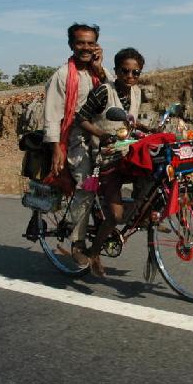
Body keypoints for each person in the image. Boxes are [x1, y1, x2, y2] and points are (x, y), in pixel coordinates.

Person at [73, 47, 149, 275]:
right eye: (125, 71)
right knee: (115, 216)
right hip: (106, 159)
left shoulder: (136, 92)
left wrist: (144, 128)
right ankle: (93, 251)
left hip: (127, 154)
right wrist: (100, 134)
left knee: (152, 176)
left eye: (136, 73)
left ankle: (141, 216)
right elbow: (81, 118)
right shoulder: (104, 92)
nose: (130, 77)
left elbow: (130, 121)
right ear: (116, 71)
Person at [42, 22, 110, 266]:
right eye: (81, 42)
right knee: (86, 186)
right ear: (71, 44)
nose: (86, 47)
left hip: (101, 136)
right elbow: (52, 114)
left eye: (91, 43)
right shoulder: (62, 76)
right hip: (75, 139)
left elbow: (113, 94)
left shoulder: (98, 71)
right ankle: (78, 240)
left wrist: (100, 69)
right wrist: (56, 148)